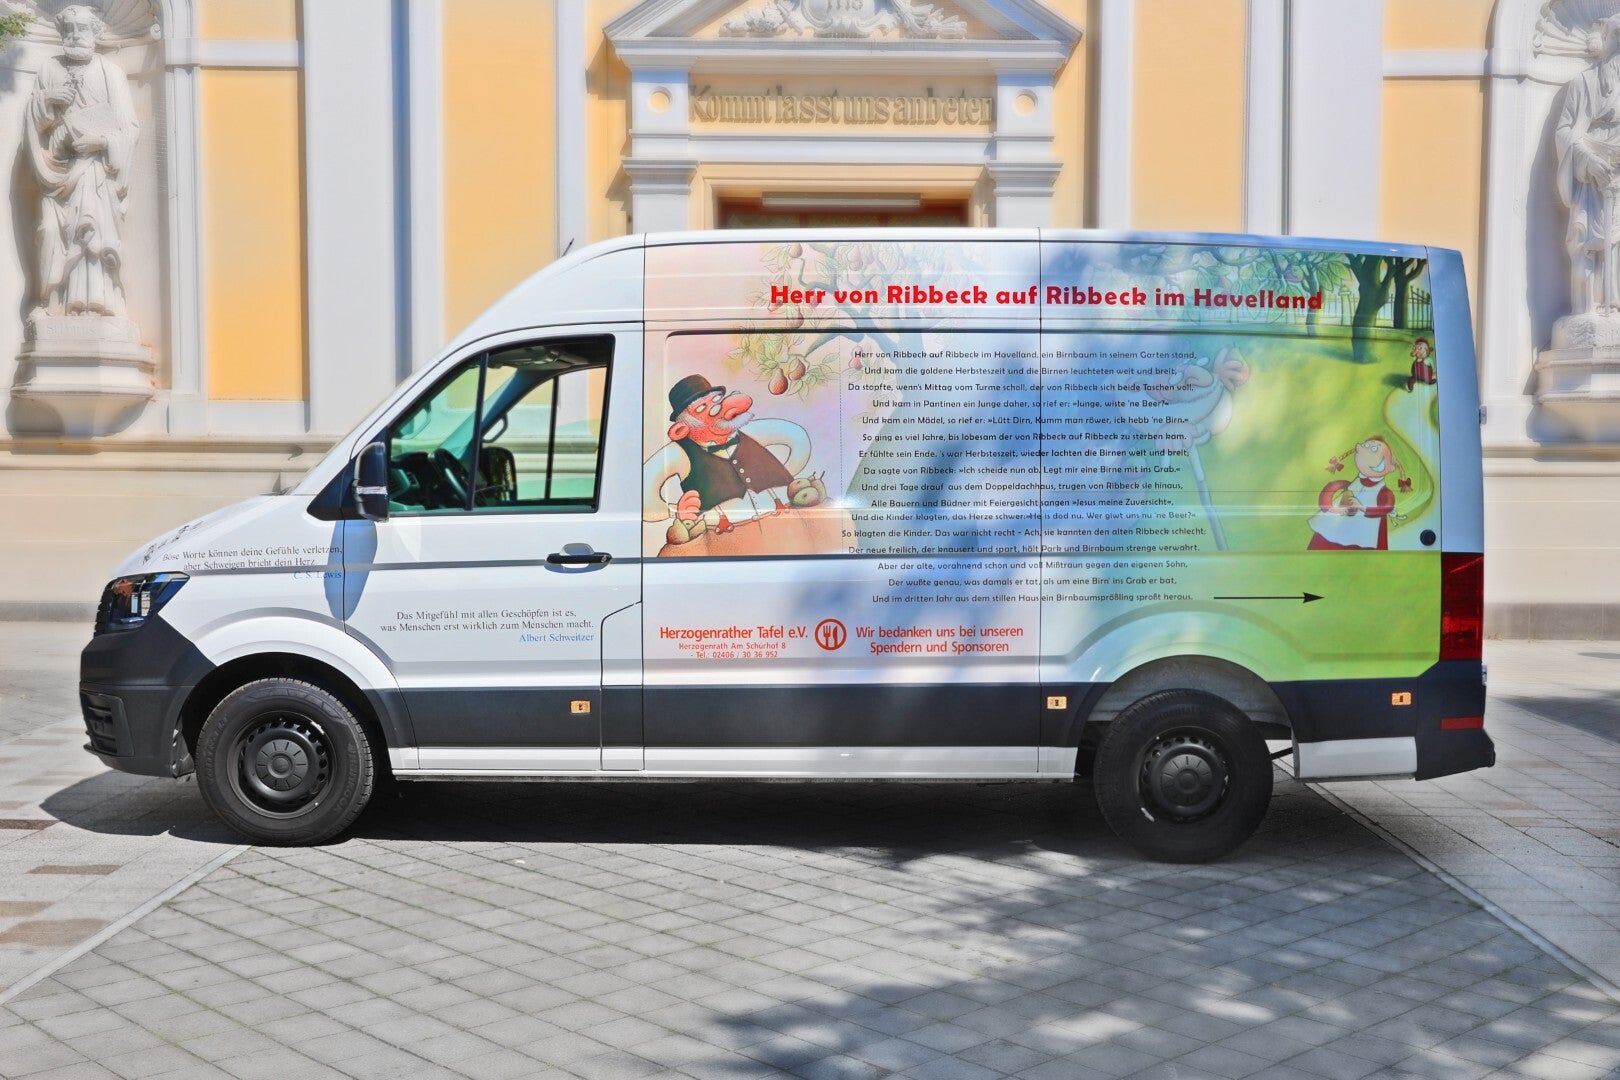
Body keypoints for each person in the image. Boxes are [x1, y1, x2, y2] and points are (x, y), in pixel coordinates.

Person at [24, 5, 140, 320]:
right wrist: (47, 102)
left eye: (83, 29)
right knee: (50, 231)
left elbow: (129, 129)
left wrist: (101, 143)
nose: (76, 35)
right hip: (58, 172)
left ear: (96, 33)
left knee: (93, 233)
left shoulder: (110, 73)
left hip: (96, 172)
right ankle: (53, 302)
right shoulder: (49, 70)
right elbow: (36, 128)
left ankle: (99, 303)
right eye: (70, 29)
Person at [1555, 14, 1620, 316]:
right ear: (1606, 41)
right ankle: (1587, 309)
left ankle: (1614, 304)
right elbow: (1565, 131)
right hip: (1590, 176)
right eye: (1618, 37)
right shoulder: (1583, 83)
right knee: (1588, 240)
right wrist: (1588, 160)